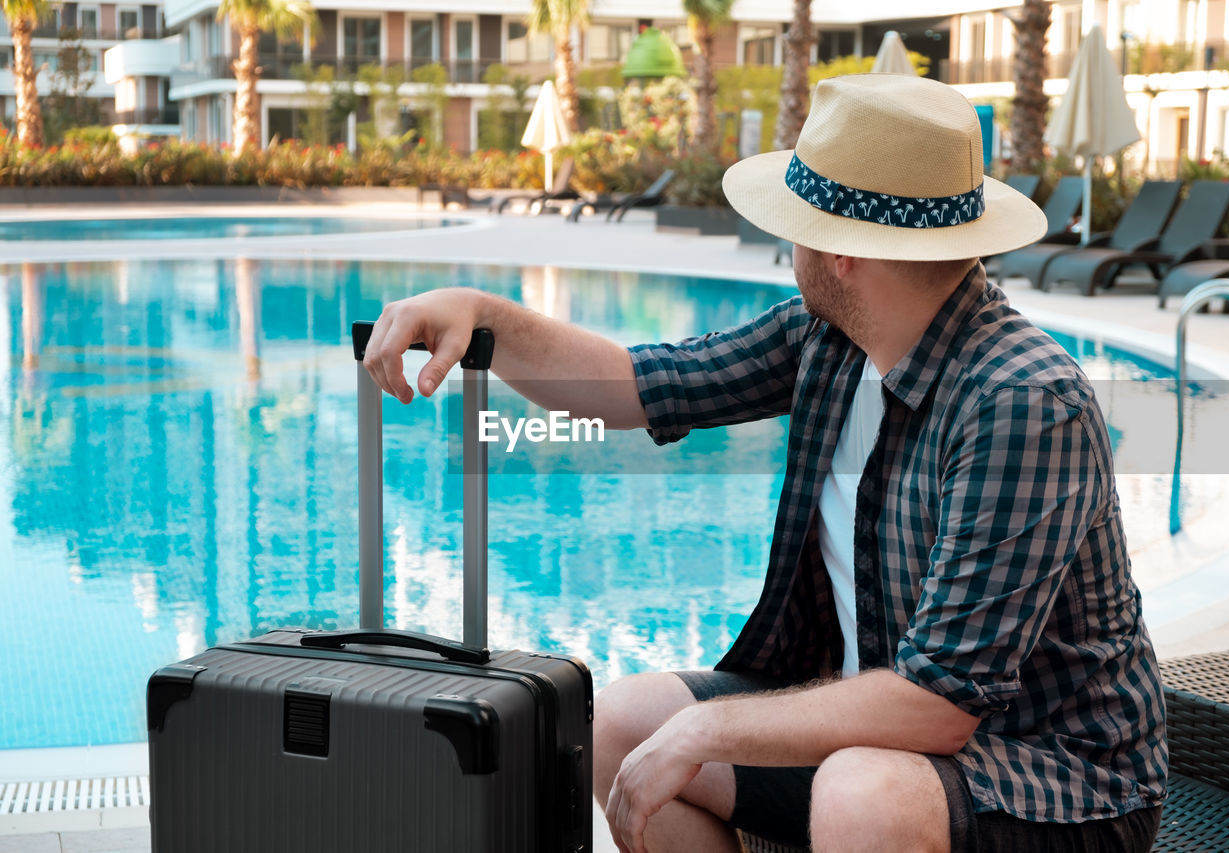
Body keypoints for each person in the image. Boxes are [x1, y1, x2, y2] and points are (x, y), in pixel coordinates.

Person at [362, 74, 1167, 853]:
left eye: (797, 218)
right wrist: (479, 313)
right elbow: (631, 385)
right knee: (626, 722)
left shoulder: (1022, 401)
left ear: (845, 253)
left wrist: (710, 726)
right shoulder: (832, 342)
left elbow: (938, 706)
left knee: (860, 791)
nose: (787, 241)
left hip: (1057, 783)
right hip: (883, 740)